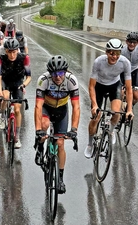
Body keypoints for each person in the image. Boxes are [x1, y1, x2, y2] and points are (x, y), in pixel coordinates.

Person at [34, 55, 80, 194]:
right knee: (44, 124)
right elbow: (38, 106)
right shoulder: (43, 80)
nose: (58, 77)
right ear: (50, 73)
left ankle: (60, 178)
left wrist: (74, 129)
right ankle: (40, 146)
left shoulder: (71, 81)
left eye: (60, 73)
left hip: (61, 110)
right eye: (54, 74)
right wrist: (38, 130)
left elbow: (76, 107)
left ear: (65, 72)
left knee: (60, 143)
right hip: (46, 108)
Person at [84, 38, 134, 158]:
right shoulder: (98, 62)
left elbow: (129, 88)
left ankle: (111, 131)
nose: (114, 56)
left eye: (118, 53)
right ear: (106, 52)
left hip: (114, 86)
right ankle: (90, 144)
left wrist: (129, 110)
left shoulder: (125, 63)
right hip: (99, 86)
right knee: (96, 117)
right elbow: (91, 86)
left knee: (116, 113)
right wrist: (95, 105)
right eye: (112, 53)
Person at [0, 38, 31, 149]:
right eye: (9, 52)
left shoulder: (24, 58)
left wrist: (24, 85)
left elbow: (29, 77)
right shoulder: (0, 59)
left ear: (17, 50)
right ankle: (2, 115)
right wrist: (0, 94)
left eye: (14, 51)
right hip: (6, 81)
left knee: (16, 109)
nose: (12, 55)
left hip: (18, 83)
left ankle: (17, 137)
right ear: (5, 51)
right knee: (5, 96)